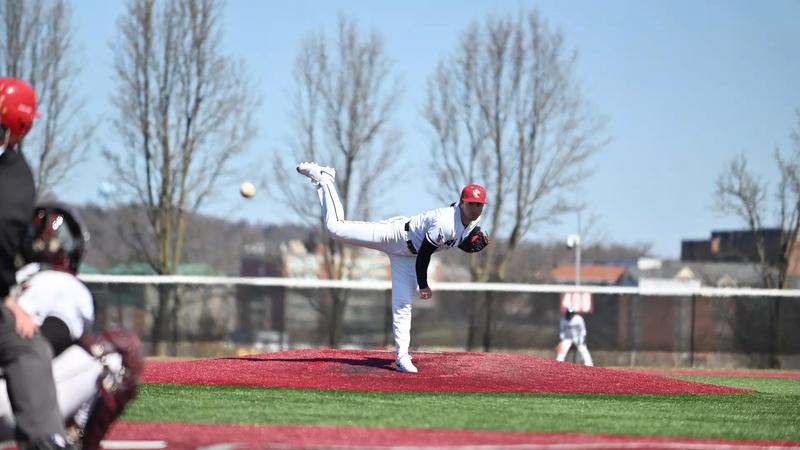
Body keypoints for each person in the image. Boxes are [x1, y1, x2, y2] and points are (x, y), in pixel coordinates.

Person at [296, 161, 490, 373]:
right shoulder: (445, 223)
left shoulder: (470, 223)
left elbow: (454, 238)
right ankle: (325, 179)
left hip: (407, 256)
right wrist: (423, 285)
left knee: (403, 305)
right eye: (471, 203)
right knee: (336, 228)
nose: (475, 208)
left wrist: (467, 241)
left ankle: (401, 357)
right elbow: (425, 254)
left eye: (479, 205)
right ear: (462, 203)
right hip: (395, 235)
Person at [0, 204, 143, 450]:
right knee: (117, 350)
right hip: (14, 402)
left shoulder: (11, 281)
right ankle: (67, 442)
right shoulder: (64, 282)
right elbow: (52, 337)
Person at [0, 77, 72, 449]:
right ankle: (44, 440)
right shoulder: (15, 181)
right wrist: (7, 300)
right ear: (22, 125)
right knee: (28, 345)